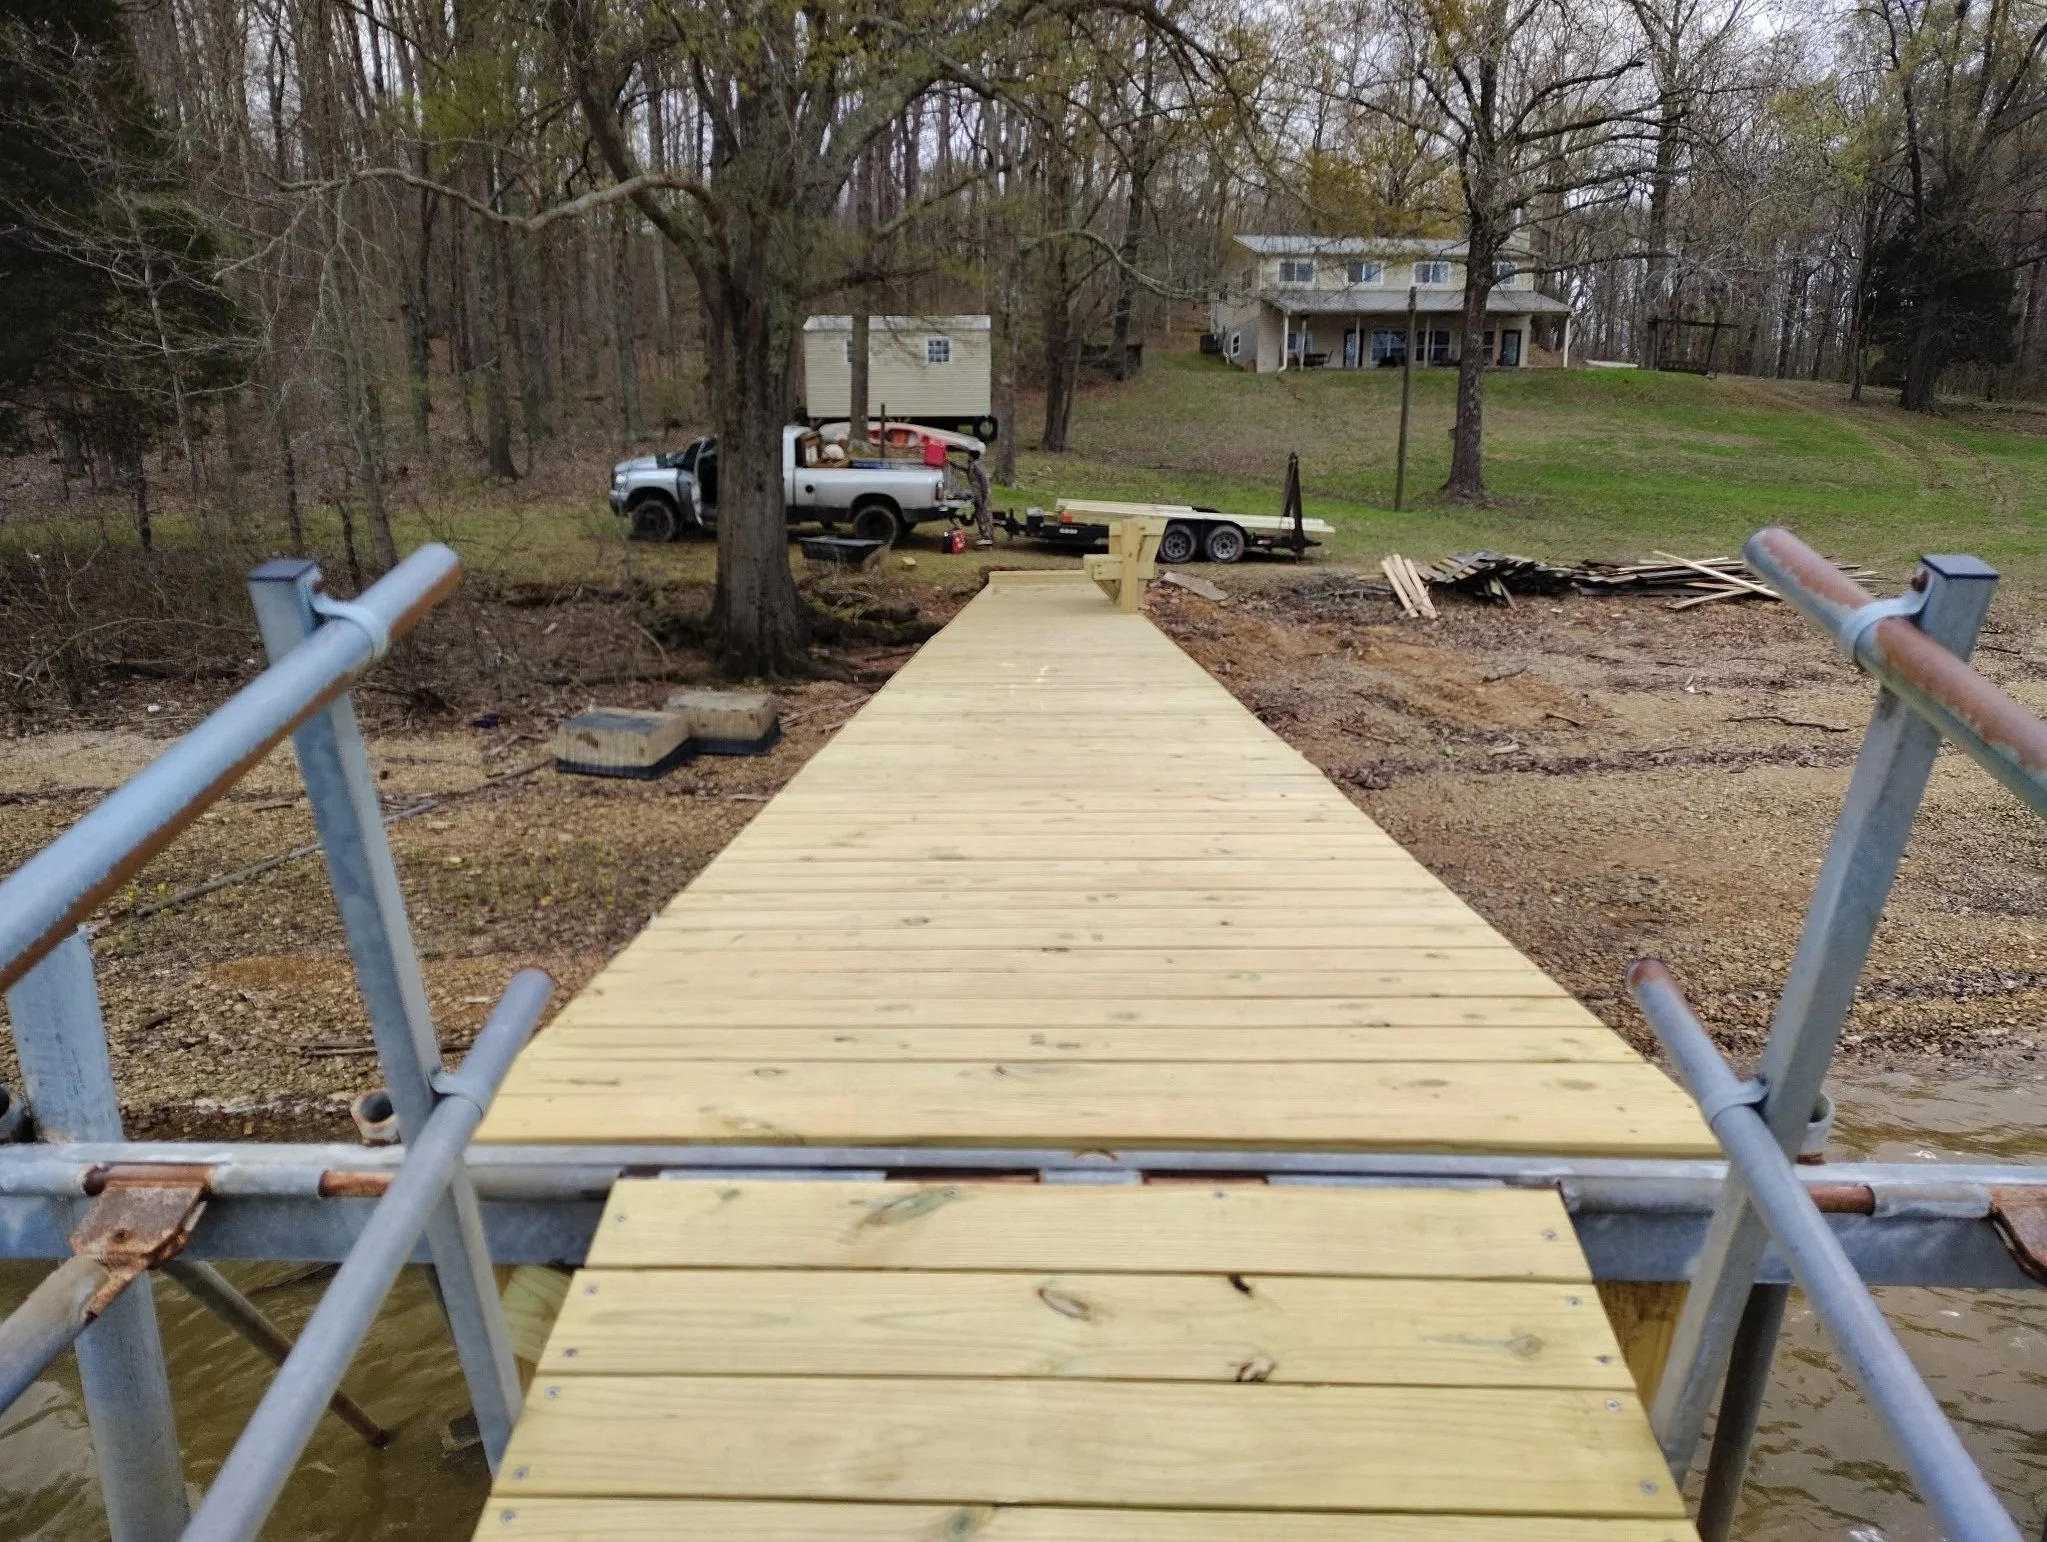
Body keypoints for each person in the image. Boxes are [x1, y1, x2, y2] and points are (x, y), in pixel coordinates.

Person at [968, 447, 994, 548]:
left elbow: (984, 483)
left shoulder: (977, 467)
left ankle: (987, 538)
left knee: (984, 516)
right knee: (979, 516)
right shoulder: (973, 466)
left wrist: (984, 496)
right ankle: (985, 536)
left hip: (982, 495)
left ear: (971, 456)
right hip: (978, 495)